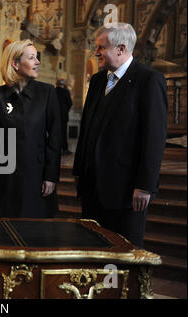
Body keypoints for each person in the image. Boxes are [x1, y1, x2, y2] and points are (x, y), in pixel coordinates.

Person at [72, 23, 168, 247]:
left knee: (123, 255)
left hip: (126, 192)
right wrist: (79, 171)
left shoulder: (149, 80)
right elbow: (87, 129)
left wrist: (145, 185)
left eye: (101, 48)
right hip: (92, 188)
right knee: (92, 249)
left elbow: (154, 137)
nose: (96, 53)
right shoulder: (97, 81)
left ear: (121, 48)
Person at [0, 39, 61, 218]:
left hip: (38, 174)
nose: (37, 62)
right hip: (8, 176)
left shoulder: (47, 92)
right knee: (9, 229)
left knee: (39, 234)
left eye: (36, 57)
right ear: (15, 64)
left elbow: (55, 137)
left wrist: (51, 176)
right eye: (32, 58)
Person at [55, 79, 73, 155]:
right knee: (63, 132)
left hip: (54, 115)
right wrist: (66, 110)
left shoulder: (53, 91)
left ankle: (55, 148)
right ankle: (64, 149)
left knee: (54, 132)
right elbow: (70, 103)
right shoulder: (66, 92)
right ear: (63, 85)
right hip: (63, 115)